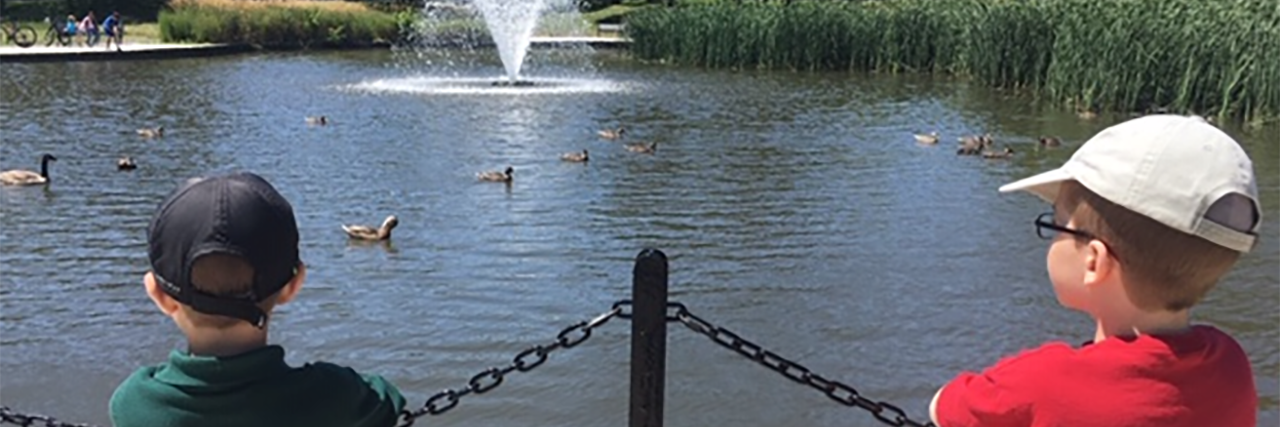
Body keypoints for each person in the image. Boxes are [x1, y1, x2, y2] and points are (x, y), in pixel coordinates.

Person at [929, 114, 1259, 427]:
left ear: (1094, 261)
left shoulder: (1042, 381)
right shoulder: (1230, 365)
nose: (1053, 236)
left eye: (1056, 224)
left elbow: (944, 409)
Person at [109, 172, 406, 427]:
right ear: (293, 285)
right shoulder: (335, 395)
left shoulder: (135, 402)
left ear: (158, 295)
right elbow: (389, 400)